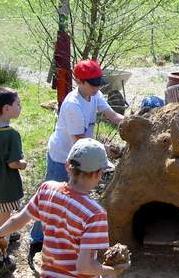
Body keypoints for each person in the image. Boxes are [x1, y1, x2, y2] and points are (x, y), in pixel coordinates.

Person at [28, 59, 125, 266]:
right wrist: (104, 150)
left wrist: (129, 123)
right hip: (62, 156)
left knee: (77, 199)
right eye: (93, 83)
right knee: (49, 200)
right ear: (79, 81)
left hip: (83, 153)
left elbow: (111, 114)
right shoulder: (72, 105)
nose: (97, 86)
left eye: (99, 81)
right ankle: (36, 241)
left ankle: (71, 237)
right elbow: (78, 141)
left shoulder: (95, 94)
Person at [0, 138, 129, 277]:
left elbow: (17, 220)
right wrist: (112, 271)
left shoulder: (47, 189)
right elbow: (84, 266)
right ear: (98, 174)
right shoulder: (94, 214)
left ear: (67, 165)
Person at [0, 87, 26, 272]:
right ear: (6, 108)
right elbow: (13, 163)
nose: (20, 107)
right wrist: (23, 164)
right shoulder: (11, 135)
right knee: (3, 225)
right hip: (5, 190)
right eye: (17, 104)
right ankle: (3, 259)